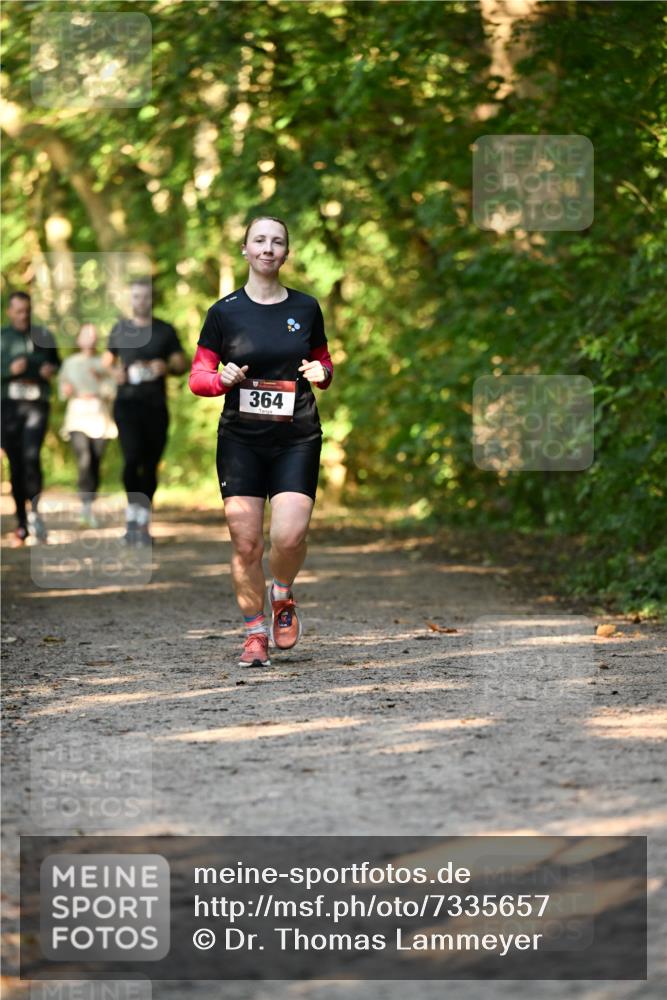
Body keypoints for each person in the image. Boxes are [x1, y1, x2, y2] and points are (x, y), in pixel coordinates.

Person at [189, 216, 334, 667]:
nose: (268, 248)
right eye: (259, 241)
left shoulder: (307, 308)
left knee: (289, 537)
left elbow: (324, 361)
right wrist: (221, 380)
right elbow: (198, 377)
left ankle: (282, 593)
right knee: (246, 543)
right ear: (245, 250)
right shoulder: (224, 312)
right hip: (241, 442)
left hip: (297, 437)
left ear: (286, 253)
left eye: (277, 242)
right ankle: (254, 634)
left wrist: (322, 373)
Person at [102, 277, 187, 545]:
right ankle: (132, 517)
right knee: (132, 459)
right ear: (131, 299)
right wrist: (114, 373)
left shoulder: (165, 330)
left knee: (150, 465)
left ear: (152, 299)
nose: (141, 301)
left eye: (146, 296)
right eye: (136, 296)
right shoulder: (119, 329)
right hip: (127, 405)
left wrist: (168, 367)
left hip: (155, 406)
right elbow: (105, 363)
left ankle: (143, 521)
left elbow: (181, 362)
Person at [1, 291, 60, 544]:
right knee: (15, 462)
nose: (23, 315)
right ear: (9, 312)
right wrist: (8, 370)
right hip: (9, 408)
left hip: (37, 403)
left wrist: (50, 370)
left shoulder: (44, 335)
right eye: (18, 311)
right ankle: (21, 521)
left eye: (27, 310)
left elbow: (58, 363)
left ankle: (35, 513)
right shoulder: (2, 337)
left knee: (31, 456)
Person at [58, 323, 117, 526]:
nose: (90, 339)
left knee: (95, 462)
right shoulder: (70, 363)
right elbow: (62, 389)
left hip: (100, 418)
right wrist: (66, 390)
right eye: (86, 335)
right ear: (78, 339)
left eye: (93, 335)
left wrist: (101, 382)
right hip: (77, 418)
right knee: (84, 458)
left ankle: (90, 504)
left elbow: (114, 389)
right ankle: (85, 505)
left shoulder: (105, 362)